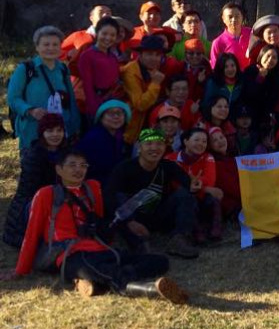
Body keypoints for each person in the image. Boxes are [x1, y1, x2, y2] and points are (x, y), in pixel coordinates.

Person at [5, 149, 188, 304]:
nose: (78, 170)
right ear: (59, 169)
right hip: (70, 254)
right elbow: (32, 233)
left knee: (159, 261)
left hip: (99, 249)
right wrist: (20, 270)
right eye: (72, 165)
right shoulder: (46, 194)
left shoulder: (92, 188)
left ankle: (95, 282)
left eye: (83, 165)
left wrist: (107, 237)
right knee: (101, 270)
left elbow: (99, 223)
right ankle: (151, 290)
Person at [107, 129, 200, 258]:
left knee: (185, 195)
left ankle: (179, 239)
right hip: (132, 216)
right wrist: (130, 221)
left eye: (159, 144)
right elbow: (111, 196)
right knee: (120, 206)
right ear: (139, 147)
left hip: (158, 214)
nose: (154, 148)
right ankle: (140, 245)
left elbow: (188, 183)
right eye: (149, 144)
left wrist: (194, 185)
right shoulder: (124, 168)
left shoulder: (168, 166)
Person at [9, 26, 81, 150]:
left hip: (60, 132)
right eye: (46, 44)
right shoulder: (25, 69)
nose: (51, 48)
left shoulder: (63, 69)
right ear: (37, 47)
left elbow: (71, 101)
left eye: (55, 44)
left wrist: (74, 127)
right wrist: (31, 110)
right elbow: (13, 98)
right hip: (33, 131)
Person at [2, 114, 69, 248]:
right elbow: (30, 191)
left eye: (59, 130)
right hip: (34, 202)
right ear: (42, 133)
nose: (55, 135)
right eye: (50, 131)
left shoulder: (66, 153)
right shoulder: (35, 155)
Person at [167, 128, 222, 242]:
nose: (201, 144)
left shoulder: (208, 157)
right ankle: (195, 230)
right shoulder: (170, 158)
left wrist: (197, 186)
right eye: (196, 140)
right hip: (179, 201)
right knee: (187, 195)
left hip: (200, 198)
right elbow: (173, 184)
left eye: (204, 141)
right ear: (186, 141)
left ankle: (215, 228)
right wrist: (199, 187)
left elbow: (210, 180)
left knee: (213, 197)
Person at [120, 35, 168, 144]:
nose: (154, 58)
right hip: (126, 131)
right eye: (149, 54)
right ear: (140, 54)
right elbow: (140, 104)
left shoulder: (152, 70)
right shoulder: (130, 71)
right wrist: (155, 84)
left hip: (141, 128)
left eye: (157, 55)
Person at [78, 17, 125, 119]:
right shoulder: (87, 56)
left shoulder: (113, 57)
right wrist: (94, 110)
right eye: (104, 34)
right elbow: (87, 85)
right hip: (94, 106)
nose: (108, 38)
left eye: (112, 35)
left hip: (111, 104)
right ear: (97, 33)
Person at [75, 100, 131, 185]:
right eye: (111, 113)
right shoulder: (94, 138)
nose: (116, 116)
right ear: (101, 117)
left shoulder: (118, 135)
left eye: (119, 113)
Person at [240, 45, 279, 127]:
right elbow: (248, 94)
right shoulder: (251, 70)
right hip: (247, 114)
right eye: (268, 56)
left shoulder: (277, 77)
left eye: (274, 58)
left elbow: (273, 100)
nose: (270, 60)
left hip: (264, 119)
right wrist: (260, 78)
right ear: (262, 55)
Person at [209, 2, 252, 70]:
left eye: (237, 16)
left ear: (242, 17)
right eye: (230, 17)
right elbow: (215, 68)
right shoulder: (218, 43)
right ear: (223, 19)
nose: (234, 20)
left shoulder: (252, 34)